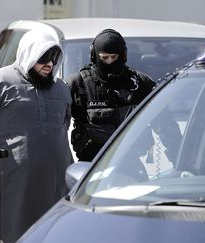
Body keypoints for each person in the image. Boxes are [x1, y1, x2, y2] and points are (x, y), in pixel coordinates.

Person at [0, 29, 74, 242]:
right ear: (29, 54)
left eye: (54, 57)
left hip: (54, 187)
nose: (49, 64)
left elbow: (63, 131)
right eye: (43, 57)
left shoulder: (62, 89)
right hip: (10, 187)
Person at [67, 28, 156, 162]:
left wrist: (182, 163)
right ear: (94, 55)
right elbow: (55, 126)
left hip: (129, 162)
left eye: (114, 57)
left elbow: (165, 122)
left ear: (123, 55)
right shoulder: (78, 84)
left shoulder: (138, 83)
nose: (110, 62)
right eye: (104, 58)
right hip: (90, 164)